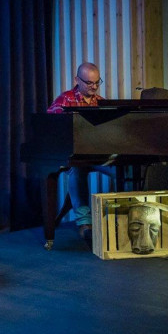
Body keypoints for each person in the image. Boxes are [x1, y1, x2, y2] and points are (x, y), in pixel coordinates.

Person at [47, 62, 114, 241]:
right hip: (75, 156)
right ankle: (85, 224)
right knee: (77, 169)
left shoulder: (101, 102)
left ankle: (120, 220)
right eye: (89, 83)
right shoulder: (65, 100)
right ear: (77, 80)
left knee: (123, 170)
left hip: (98, 155)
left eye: (97, 82)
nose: (94, 87)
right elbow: (49, 126)